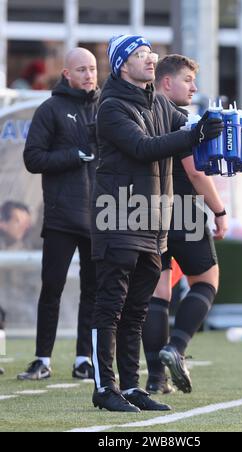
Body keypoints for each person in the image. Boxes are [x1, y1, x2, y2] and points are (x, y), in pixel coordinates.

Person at [90, 35, 224, 412]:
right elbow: (143, 147)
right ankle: (104, 389)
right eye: (138, 55)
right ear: (121, 65)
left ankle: (132, 387)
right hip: (117, 216)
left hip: (154, 225)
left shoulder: (160, 104)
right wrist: (194, 133)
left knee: (136, 311)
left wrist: (226, 130)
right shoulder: (112, 106)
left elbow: (194, 129)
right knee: (110, 308)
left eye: (150, 54)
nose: (150, 60)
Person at [142, 54, 228, 394]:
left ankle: (155, 378)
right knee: (206, 281)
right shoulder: (180, 118)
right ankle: (176, 347)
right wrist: (219, 211)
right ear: (166, 82)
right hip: (184, 210)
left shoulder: (140, 113)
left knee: (158, 292)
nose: (194, 87)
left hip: (146, 211)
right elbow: (195, 171)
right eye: (187, 80)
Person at [17, 48, 100, 381]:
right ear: (66, 73)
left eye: (92, 69)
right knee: (51, 288)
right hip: (61, 218)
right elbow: (32, 159)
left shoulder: (106, 109)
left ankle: (85, 359)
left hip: (99, 218)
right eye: (81, 69)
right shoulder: (50, 109)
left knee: (93, 292)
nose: (89, 75)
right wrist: (74, 155)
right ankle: (42, 359)